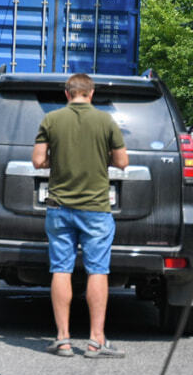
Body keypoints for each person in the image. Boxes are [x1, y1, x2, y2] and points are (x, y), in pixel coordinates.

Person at [32, 73, 128, 359]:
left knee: (60, 268)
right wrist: (102, 158)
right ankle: (96, 340)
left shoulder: (51, 121)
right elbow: (122, 162)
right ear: (91, 93)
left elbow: (38, 161)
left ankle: (62, 339)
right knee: (97, 269)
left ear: (67, 94)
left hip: (59, 207)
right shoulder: (106, 122)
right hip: (96, 209)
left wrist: (57, 160)